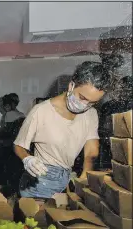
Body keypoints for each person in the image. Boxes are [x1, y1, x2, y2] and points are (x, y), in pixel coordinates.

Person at [14, 57, 121, 199]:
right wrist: (27, 159)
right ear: (71, 86)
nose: (85, 105)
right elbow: (19, 145)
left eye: (92, 102)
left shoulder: (91, 114)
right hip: (39, 180)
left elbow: (91, 152)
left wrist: (83, 179)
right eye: (82, 97)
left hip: (67, 178)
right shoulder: (41, 111)